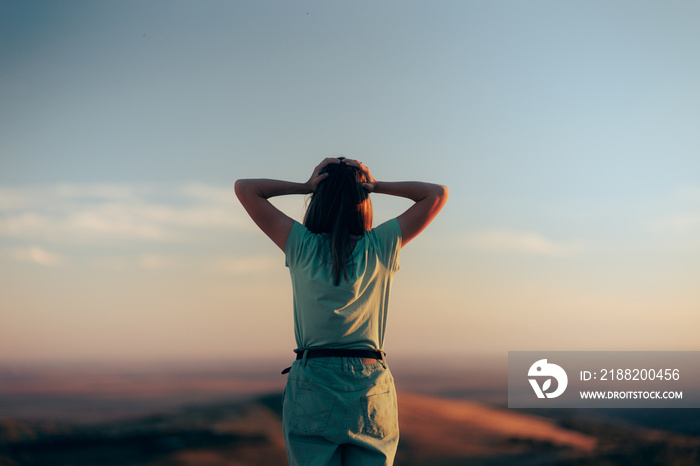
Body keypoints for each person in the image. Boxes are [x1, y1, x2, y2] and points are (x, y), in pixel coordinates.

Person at [235, 157, 448, 466]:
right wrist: (375, 186)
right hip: (370, 383)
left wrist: (305, 186)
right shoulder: (380, 246)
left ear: (317, 202)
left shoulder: (301, 245)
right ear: (363, 200)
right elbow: (436, 194)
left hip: (313, 380)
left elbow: (246, 188)